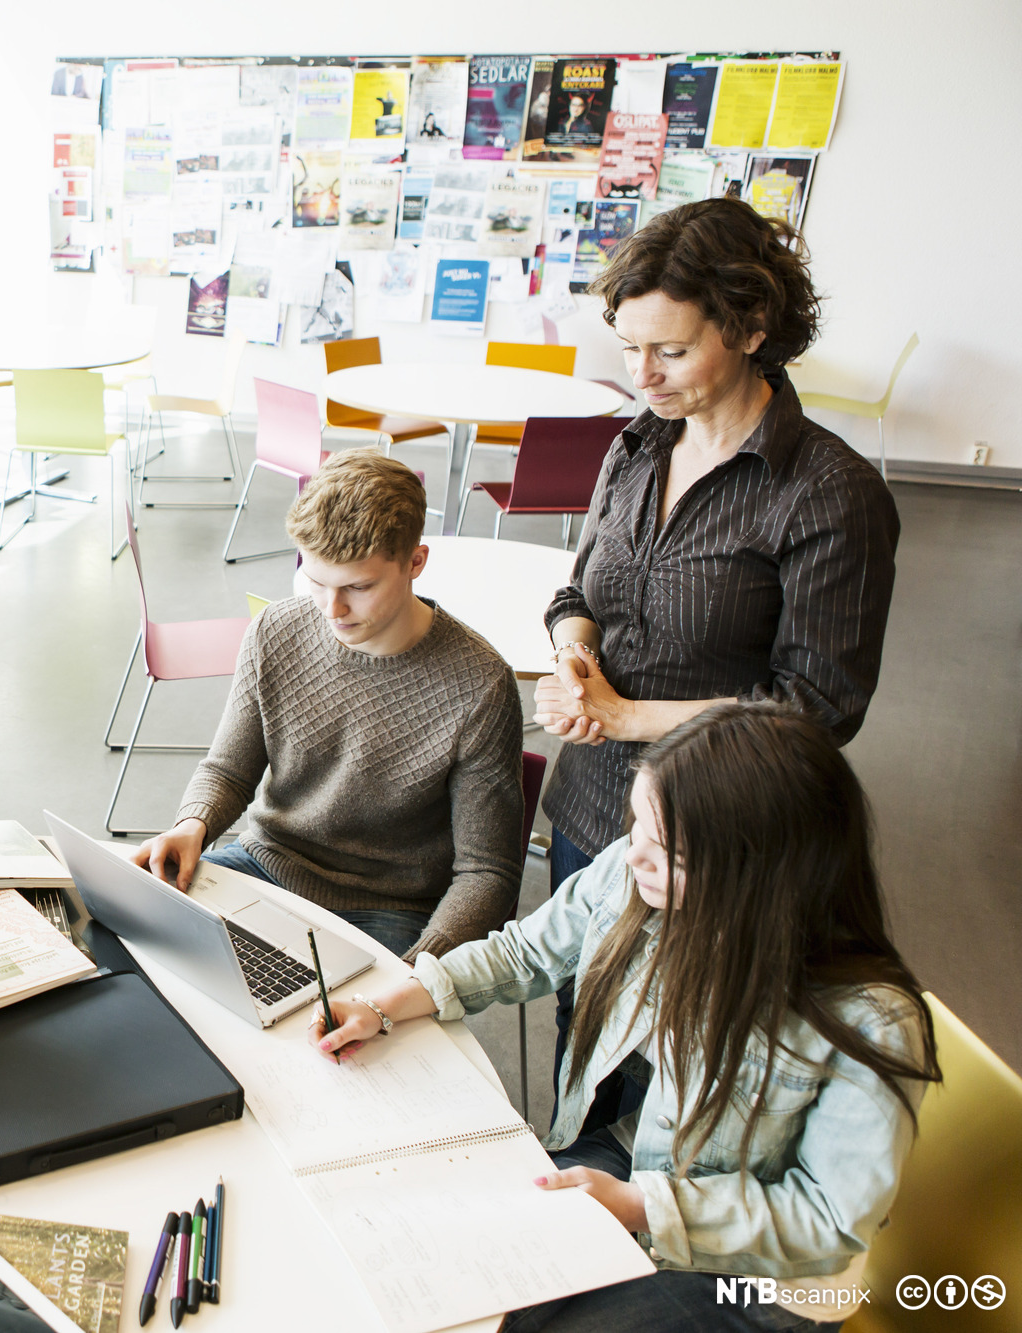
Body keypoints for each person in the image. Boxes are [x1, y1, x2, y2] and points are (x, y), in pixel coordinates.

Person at [313, 704, 939, 1332]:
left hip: (761, 1280)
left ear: (764, 879)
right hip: (636, 1156)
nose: (632, 855)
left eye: (669, 851)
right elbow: (525, 951)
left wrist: (642, 1208)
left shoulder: (871, 1023)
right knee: (450, 1271)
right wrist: (386, 1004)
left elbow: (829, 1219)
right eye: (637, 823)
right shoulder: (634, 871)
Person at [533, 198, 900, 1080]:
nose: (643, 375)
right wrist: (575, 655)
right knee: (584, 1036)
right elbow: (578, 588)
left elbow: (816, 711)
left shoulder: (828, 493)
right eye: (629, 348)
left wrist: (625, 718)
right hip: (592, 812)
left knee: (681, 1064)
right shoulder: (636, 447)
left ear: (748, 324)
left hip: (720, 841)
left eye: (671, 350)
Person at [134, 451, 523, 961]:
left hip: (392, 909)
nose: (332, 610)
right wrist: (192, 826)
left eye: (358, 588)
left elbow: (486, 873)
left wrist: (421, 966)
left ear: (415, 563)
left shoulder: (480, 685)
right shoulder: (276, 630)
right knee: (144, 951)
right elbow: (229, 770)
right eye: (316, 582)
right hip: (266, 864)